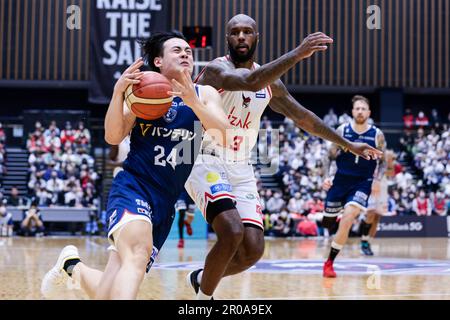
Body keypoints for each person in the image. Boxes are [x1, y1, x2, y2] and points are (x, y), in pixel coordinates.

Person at [184, 14, 382, 299]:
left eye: (247, 32)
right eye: (235, 32)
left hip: (241, 164)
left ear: (256, 38)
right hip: (204, 158)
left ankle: (202, 278)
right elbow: (250, 81)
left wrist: (348, 144)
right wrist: (299, 53)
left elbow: (303, 117)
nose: (241, 37)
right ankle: (204, 301)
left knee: (253, 249)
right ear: (227, 39)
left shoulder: (270, 83)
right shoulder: (216, 71)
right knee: (231, 230)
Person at [41, 31, 230, 300]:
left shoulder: (206, 94)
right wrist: (119, 92)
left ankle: (72, 267)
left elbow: (225, 134)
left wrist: (193, 103)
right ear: (158, 61)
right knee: (139, 252)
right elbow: (112, 136)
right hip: (134, 187)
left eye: (188, 50)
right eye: (177, 50)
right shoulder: (143, 92)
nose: (186, 53)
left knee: (107, 293)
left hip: (165, 203)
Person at [321, 95, 386, 278]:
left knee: (349, 217)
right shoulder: (342, 130)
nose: (360, 111)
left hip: (362, 182)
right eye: (357, 108)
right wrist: (327, 177)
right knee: (327, 223)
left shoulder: (377, 134)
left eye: (363, 109)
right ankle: (333, 220)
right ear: (352, 112)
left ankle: (329, 263)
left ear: (369, 113)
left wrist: (377, 180)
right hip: (340, 181)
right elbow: (328, 156)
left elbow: (383, 162)